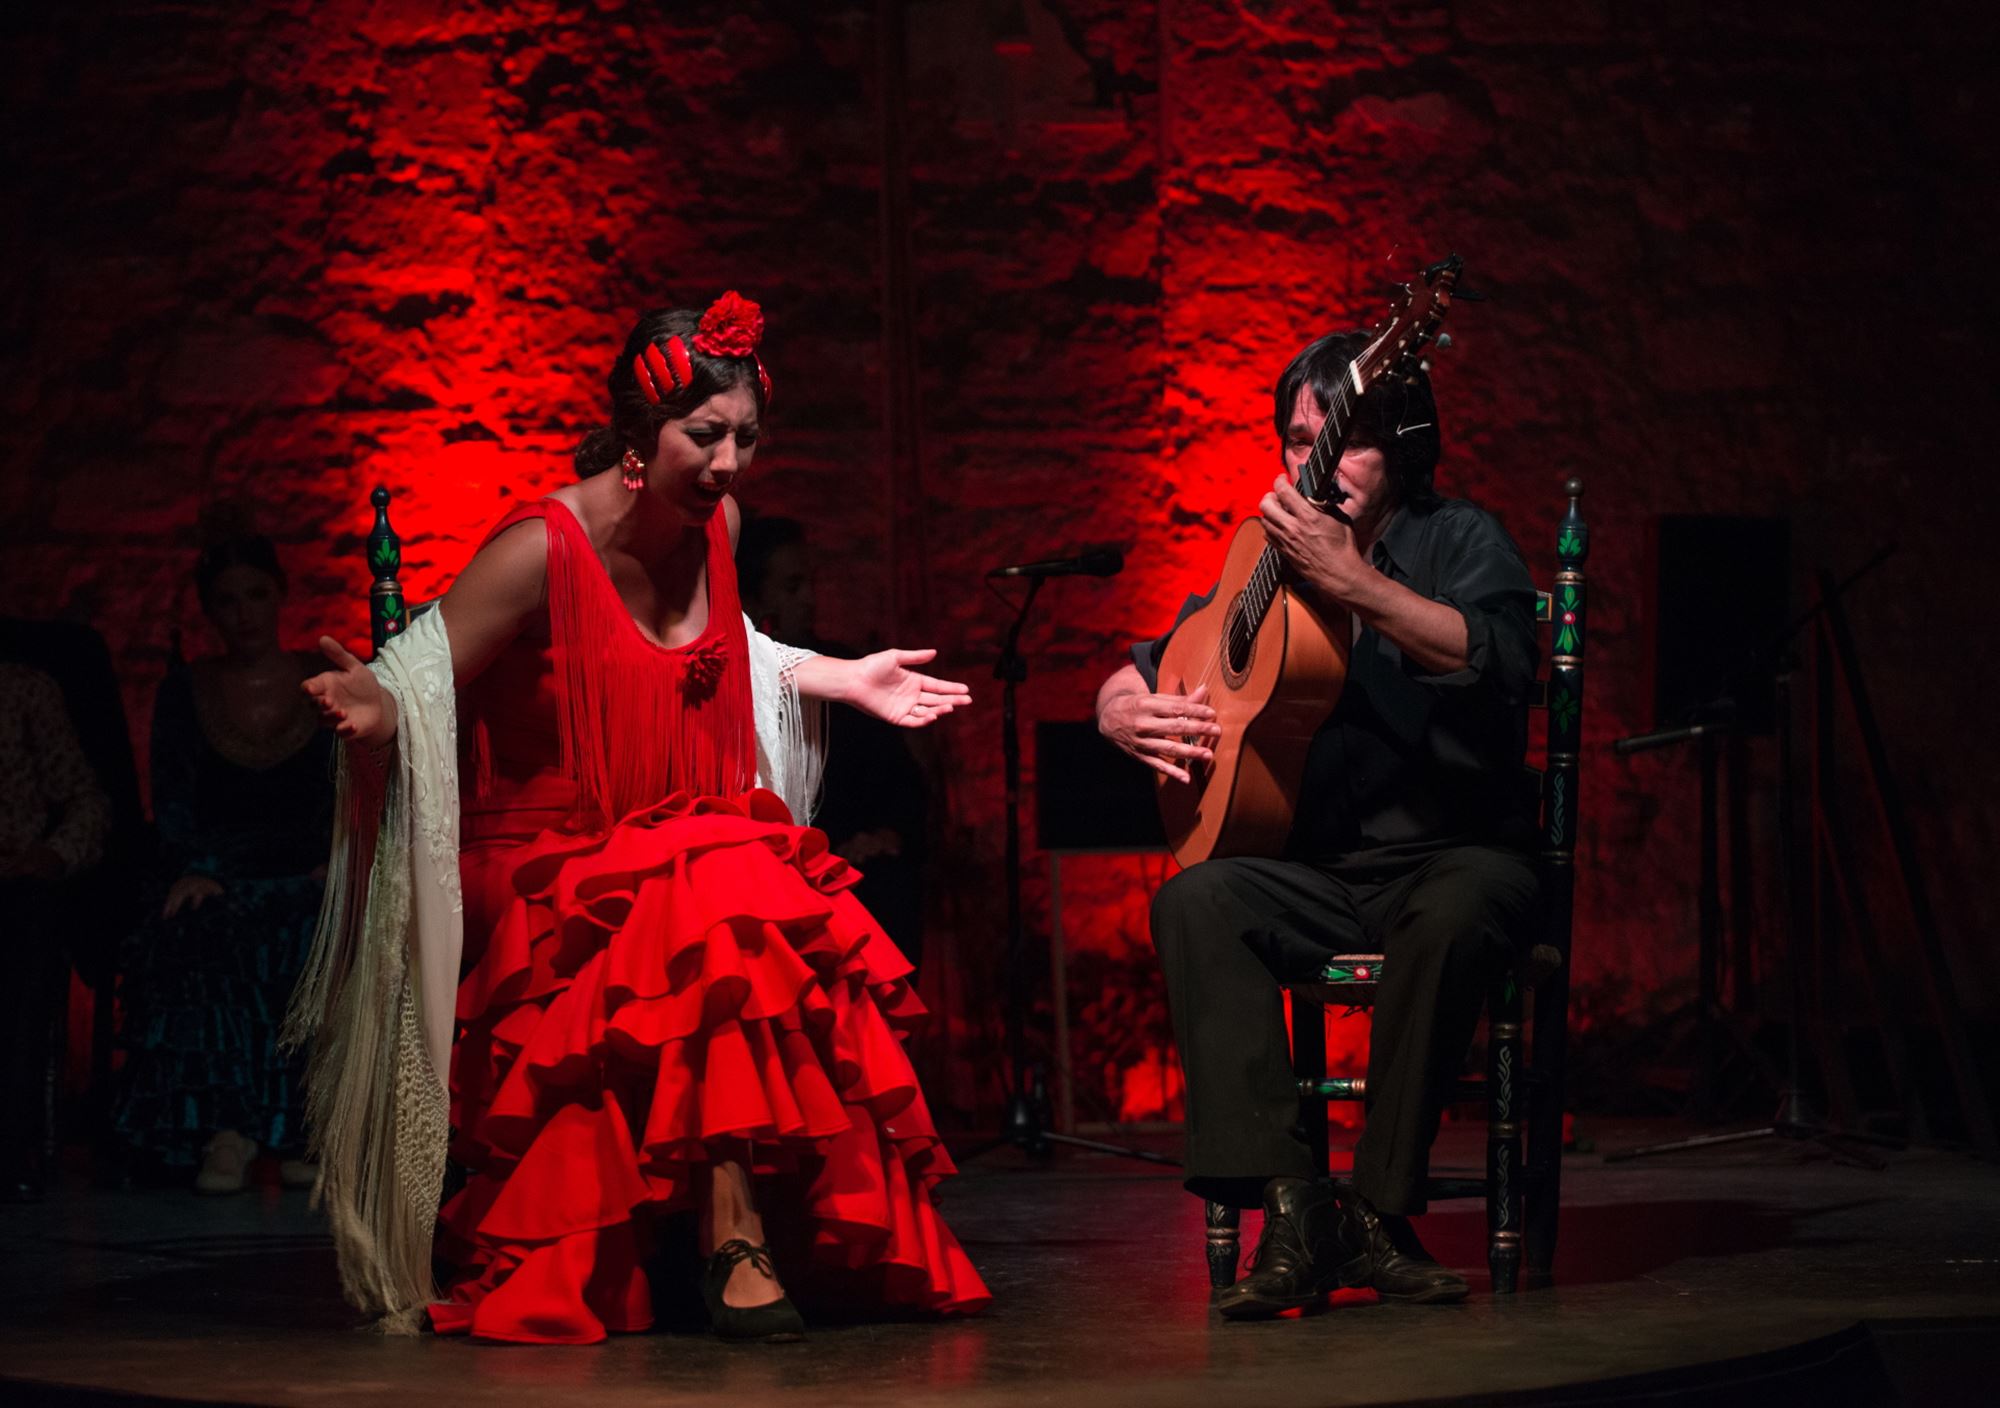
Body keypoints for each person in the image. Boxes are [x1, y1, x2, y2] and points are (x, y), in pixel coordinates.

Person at [291, 294, 988, 1345]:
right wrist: (379, 706)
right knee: (718, 878)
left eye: (746, 438)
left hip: (672, 845)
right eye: (703, 436)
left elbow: (732, 655)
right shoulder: (540, 547)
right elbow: (427, 666)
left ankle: (733, 1220)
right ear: (634, 436)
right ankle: (731, 1234)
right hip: (549, 853)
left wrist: (846, 677)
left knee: (740, 870)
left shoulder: (722, 530)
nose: (728, 463)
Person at [1093, 331, 1540, 1317]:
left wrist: (1354, 585)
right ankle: (1293, 1207)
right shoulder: (1263, 556)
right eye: (1298, 441)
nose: (1315, 464)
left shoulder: (1456, 536)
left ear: (1401, 451)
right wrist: (1117, 706)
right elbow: (1150, 653)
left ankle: (1375, 1211)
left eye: (1341, 442)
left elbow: (1508, 658)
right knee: (1197, 900)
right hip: (1324, 872)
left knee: (1458, 913)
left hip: (1453, 855)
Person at [114, 529, 334, 1193]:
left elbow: (336, 794)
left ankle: (304, 1127)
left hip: (306, 870)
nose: (243, 613)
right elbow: (175, 794)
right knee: (203, 929)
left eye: (255, 595)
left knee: (314, 928)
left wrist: (332, 862)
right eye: (227, 600)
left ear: (280, 597)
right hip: (221, 870)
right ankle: (227, 1128)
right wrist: (197, 864)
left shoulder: (318, 685)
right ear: (210, 610)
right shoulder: (189, 691)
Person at [737, 515, 932, 974]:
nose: (808, 599)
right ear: (756, 598)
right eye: (791, 586)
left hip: (847, 864)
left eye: (810, 583)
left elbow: (899, 785)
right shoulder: (733, 681)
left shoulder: (848, 673)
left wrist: (884, 834)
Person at [0, 660, 111, 1201]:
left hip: (14, 880)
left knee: (28, 931)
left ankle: (13, 1140)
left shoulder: (22, 689)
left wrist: (51, 855)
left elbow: (87, 801)